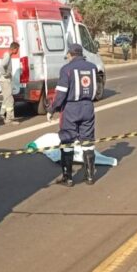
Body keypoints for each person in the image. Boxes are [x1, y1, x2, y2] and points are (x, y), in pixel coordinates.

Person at [46, 43, 101, 186]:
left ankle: (68, 178)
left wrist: (52, 109)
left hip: (71, 109)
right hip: (88, 107)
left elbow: (60, 95)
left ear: (70, 54)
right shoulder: (92, 67)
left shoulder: (67, 69)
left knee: (67, 141)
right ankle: (90, 176)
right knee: (88, 141)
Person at [0, 42, 20, 125]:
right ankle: (9, 119)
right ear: (14, 49)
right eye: (17, 49)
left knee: (6, 99)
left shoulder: (7, 55)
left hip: (3, 80)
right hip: (5, 80)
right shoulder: (7, 56)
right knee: (10, 100)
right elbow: (1, 66)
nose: (18, 51)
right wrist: (5, 74)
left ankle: (1, 115)